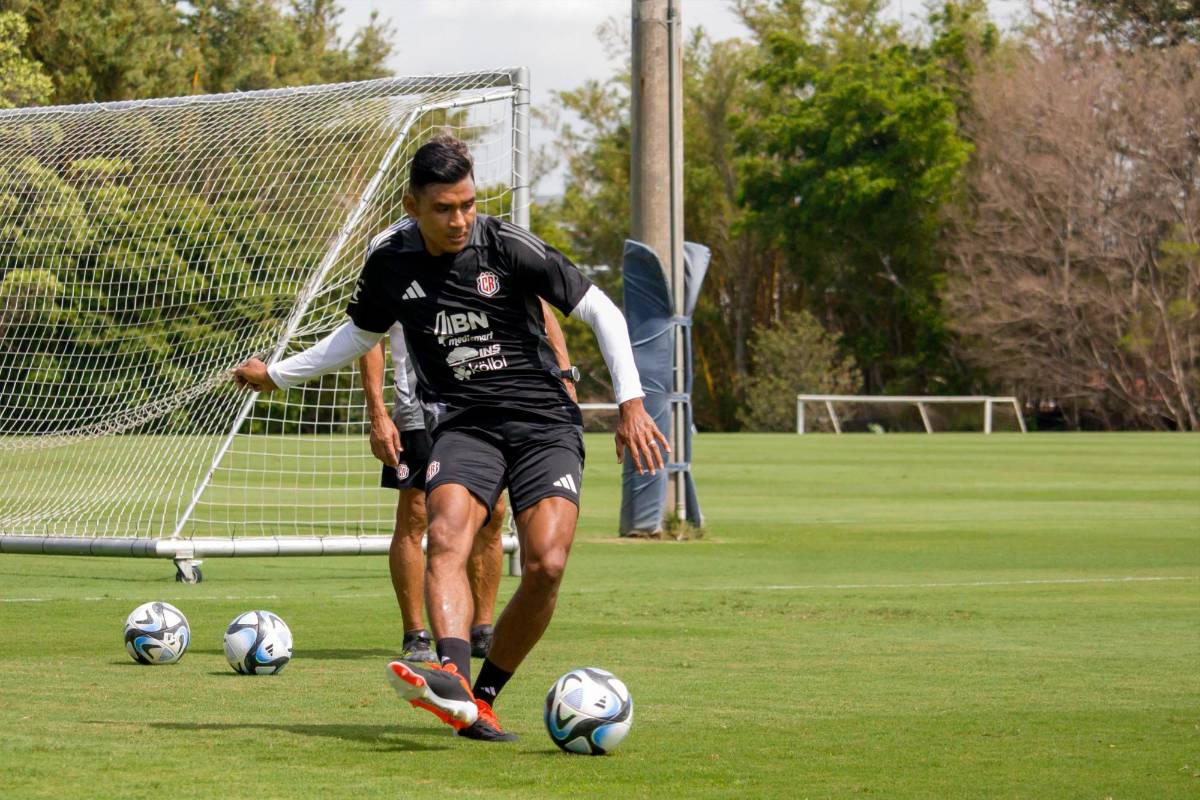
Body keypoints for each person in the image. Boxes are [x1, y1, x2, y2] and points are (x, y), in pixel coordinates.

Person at [234, 133, 666, 743]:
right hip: (464, 424)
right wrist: (278, 375)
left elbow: (602, 311)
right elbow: (358, 335)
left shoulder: (507, 245)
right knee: (445, 536)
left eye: (467, 204)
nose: (460, 219)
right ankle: (455, 683)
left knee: (546, 564)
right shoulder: (390, 261)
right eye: (444, 208)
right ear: (413, 206)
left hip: (544, 423)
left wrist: (630, 402)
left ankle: (480, 699)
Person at [361, 315, 574, 663]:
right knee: (417, 514)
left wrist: (564, 373)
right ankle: (416, 633)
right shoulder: (390, 261)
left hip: (481, 403)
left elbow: (542, 309)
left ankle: (482, 629)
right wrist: (378, 414)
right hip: (417, 405)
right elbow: (367, 335)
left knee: (492, 514)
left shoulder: (493, 261)